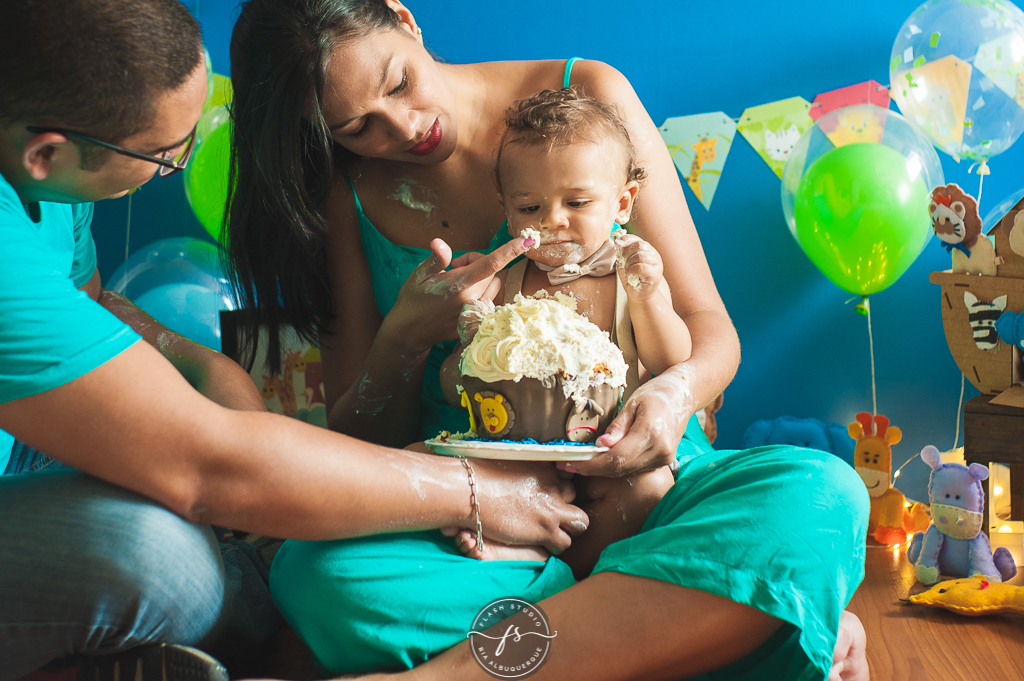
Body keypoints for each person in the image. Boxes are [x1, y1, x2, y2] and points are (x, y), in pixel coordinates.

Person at [225, 1, 871, 679]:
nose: (405, 126)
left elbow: (709, 329)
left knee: (822, 494)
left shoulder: (589, 94)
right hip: (477, 523)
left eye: (399, 83)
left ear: (403, 18)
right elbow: (360, 439)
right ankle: (704, 621)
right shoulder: (344, 195)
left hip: (643, 487)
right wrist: (405, 338)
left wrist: (673, 397)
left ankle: (479, 665)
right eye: (358, 128)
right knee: (317, 577)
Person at [0, 2, 584, 679]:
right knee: (165, 560)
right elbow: (207, 469)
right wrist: (475, 490)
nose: (177, 166)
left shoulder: (56, 175)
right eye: (164, 155)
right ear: (45, 155)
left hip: (35, 439)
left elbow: (88, 304)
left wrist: (206, 366)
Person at [438, 87, 691, 576]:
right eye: (530, 208)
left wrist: (646, 298)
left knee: (650, 488)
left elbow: (671, 361)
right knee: (436, 466)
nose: (553, 220)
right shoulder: (504, 283)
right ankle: (520, 545)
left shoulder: (631, 275)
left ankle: (573, 570)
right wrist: (470, 343)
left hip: (608, 451)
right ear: (507, 210)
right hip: (514, 456)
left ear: (622, 202)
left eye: (576, 201)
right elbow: (454, 390)